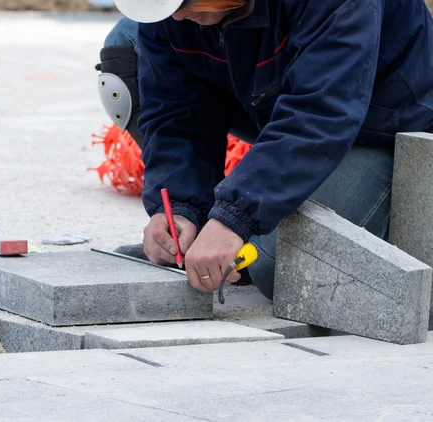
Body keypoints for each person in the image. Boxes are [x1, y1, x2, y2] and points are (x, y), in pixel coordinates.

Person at [95, 0, 433, 300]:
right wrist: (180, 207)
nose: (179, 15)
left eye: (186, 2)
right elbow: (175, 112)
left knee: (278, 265)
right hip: (285, 96)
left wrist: (235, 218)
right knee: (129, 41)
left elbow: (318, 112)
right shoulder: (177, 13)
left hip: (385, 128)